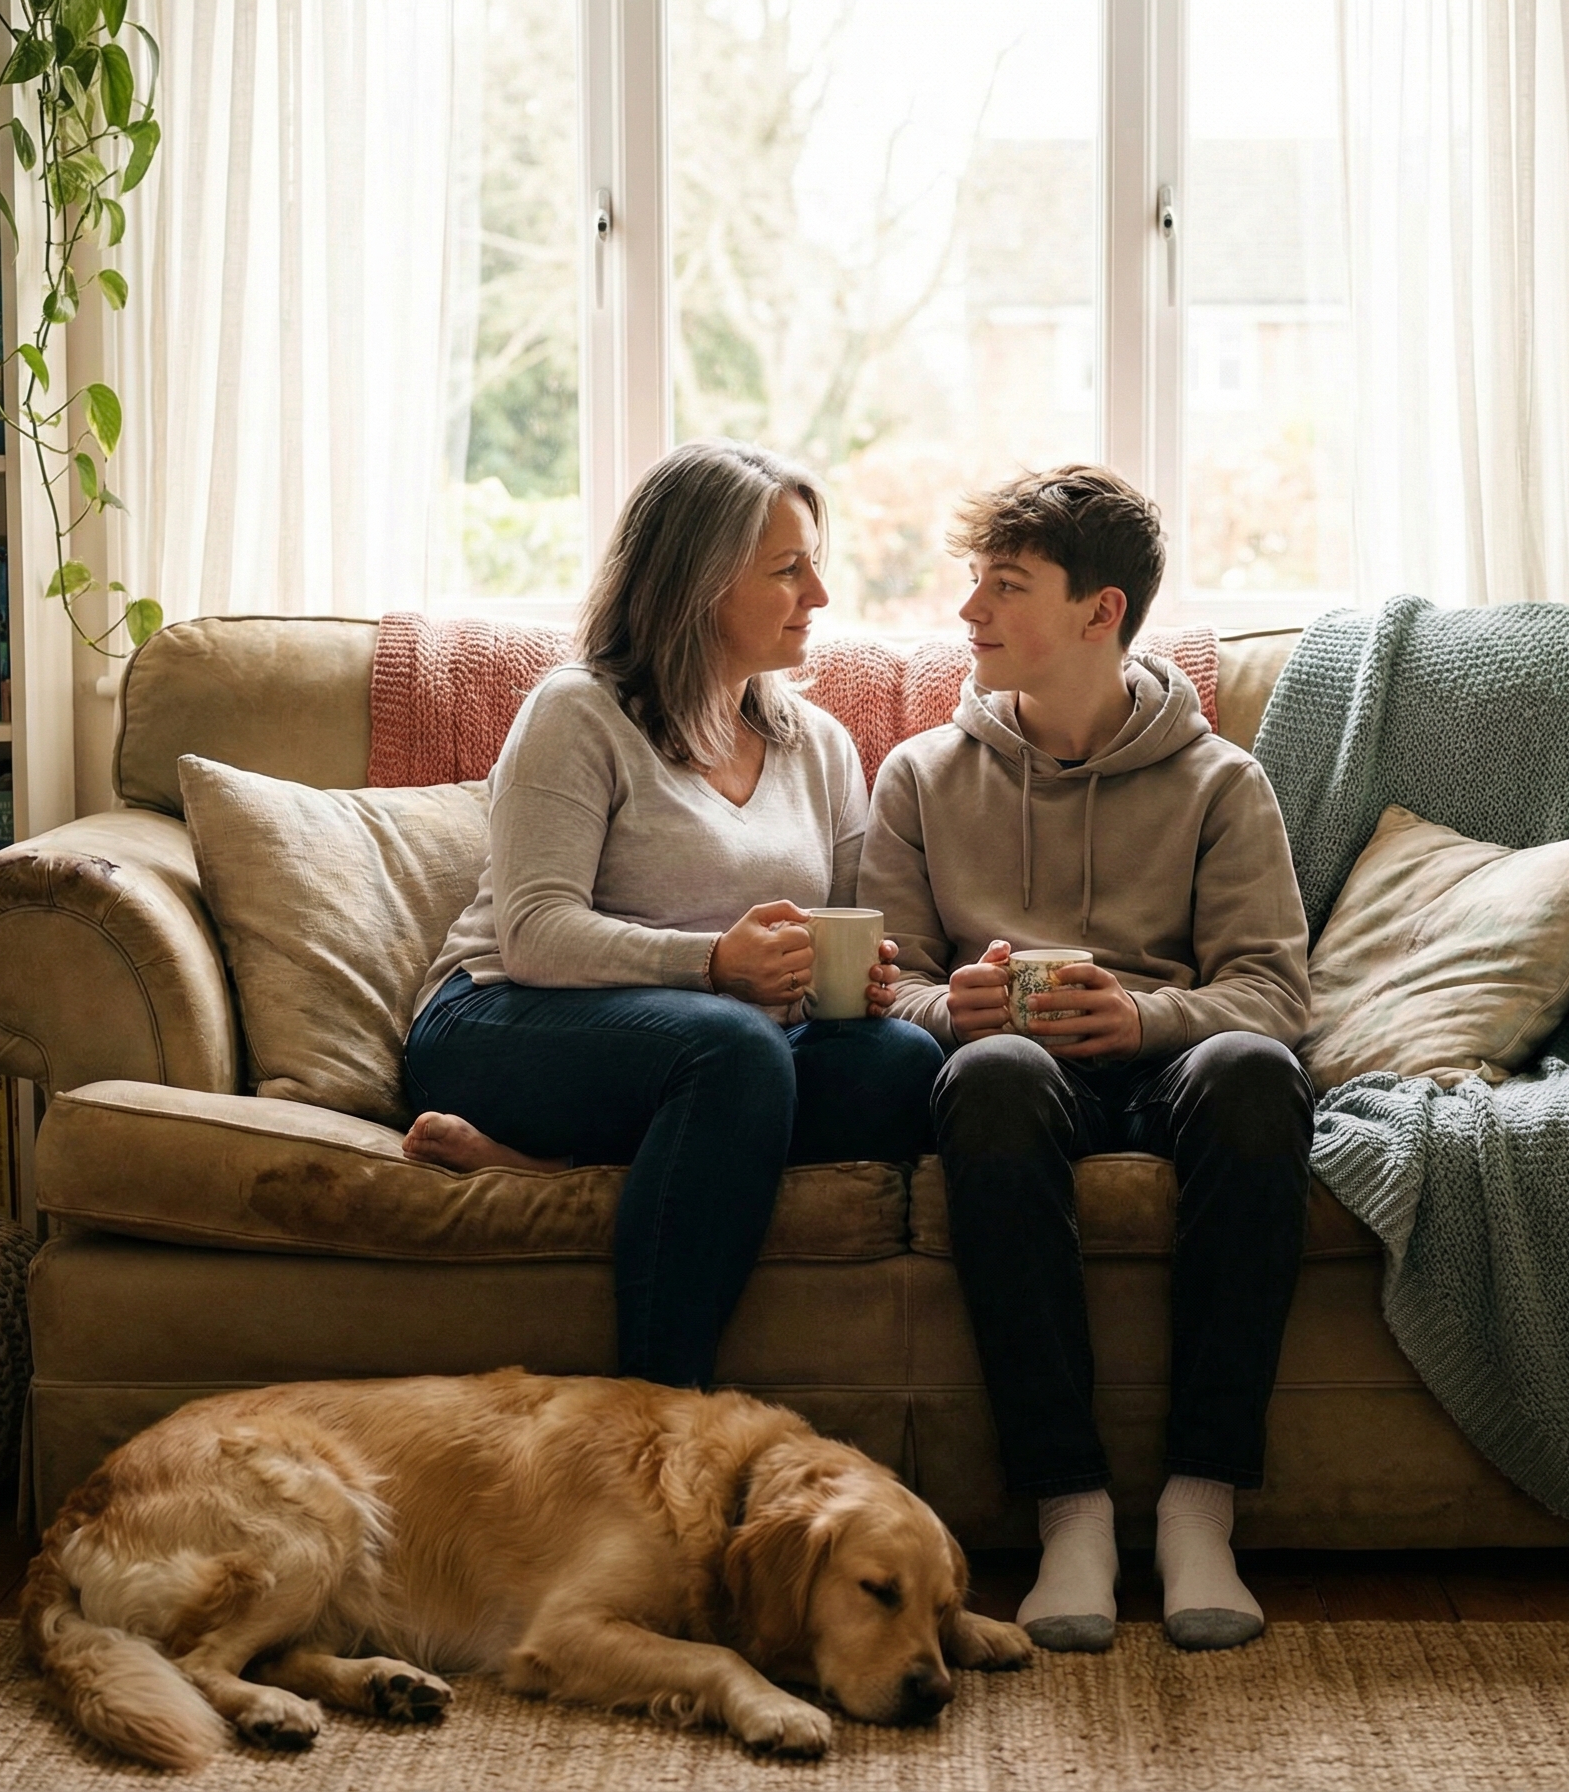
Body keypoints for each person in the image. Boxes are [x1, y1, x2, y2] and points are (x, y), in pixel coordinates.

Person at [856, 466, 1313, 1654]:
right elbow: (877, 985)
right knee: (992, 1080)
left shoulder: (1222, 782)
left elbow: (1273, 991)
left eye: (1005, 588)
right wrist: (946, 1011)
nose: (970, 614)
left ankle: (1201, 1505)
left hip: (1169, 1068)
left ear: (1100, 613)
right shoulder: (918, 776)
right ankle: (1072, 1513)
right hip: (1011, 1075)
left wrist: (1146, 1020)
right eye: (975, 585)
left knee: (1258, 1073)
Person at [402, 438, 944, 1390]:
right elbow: (533, 933)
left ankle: (569, 1165)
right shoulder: (579, 714)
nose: (819, 593)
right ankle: (663, 1409)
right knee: (729, 1049)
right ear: (698, 583)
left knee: (902, 1066)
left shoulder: (817, 746)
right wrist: (712, 965)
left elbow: (859, 926)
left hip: (735, 1056)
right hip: (499, 1021)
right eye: (788, 570)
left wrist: (867, 975)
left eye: (815, 564)